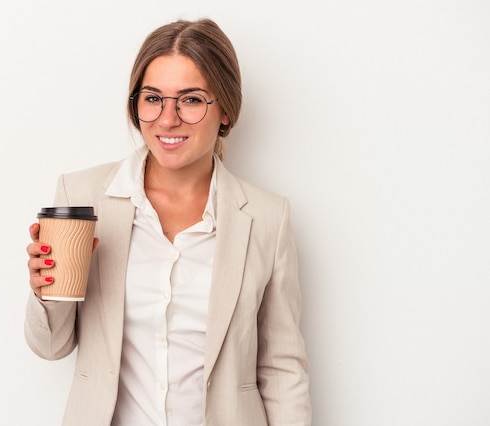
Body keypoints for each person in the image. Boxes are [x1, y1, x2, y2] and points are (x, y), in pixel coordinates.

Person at [25, 18, 311, 426]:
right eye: (152, 98)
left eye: (191, 100)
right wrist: (44, 293)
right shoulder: (83, 197)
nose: (167, 119)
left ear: (225, 109)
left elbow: (283, 370)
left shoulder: (267, 218)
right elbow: (51, 347)